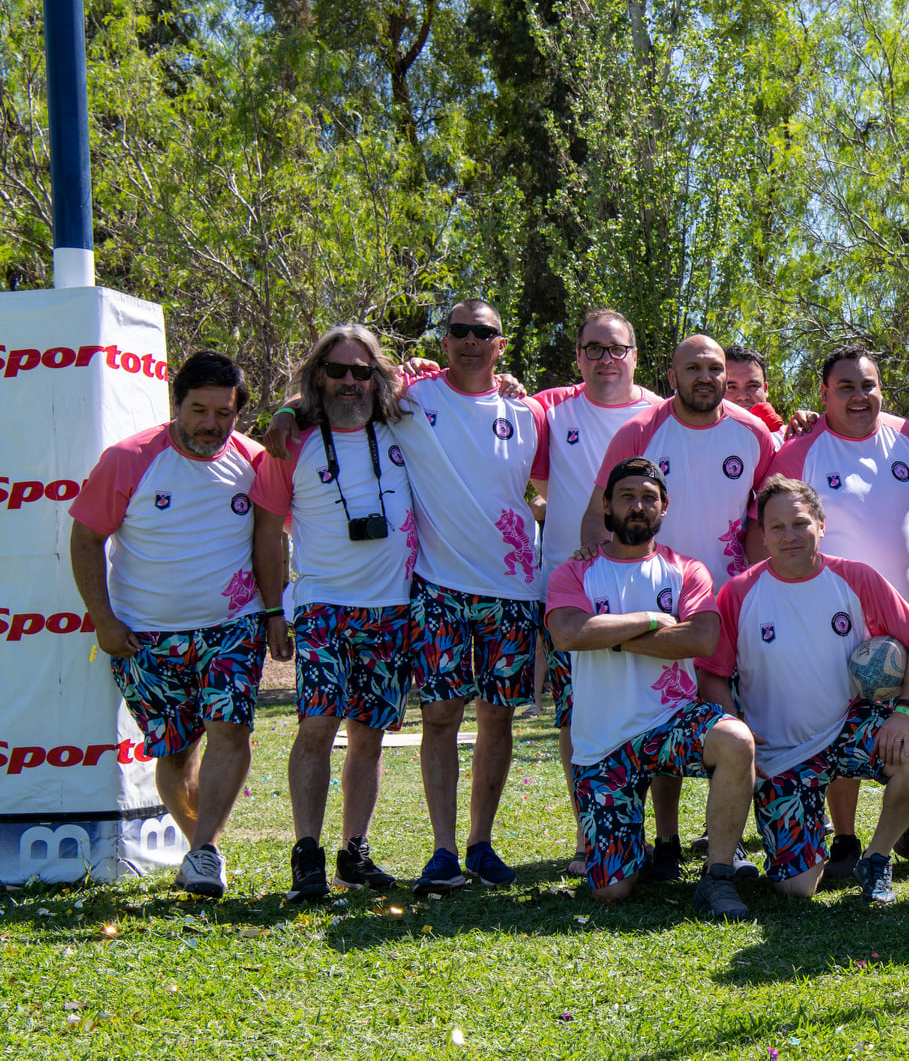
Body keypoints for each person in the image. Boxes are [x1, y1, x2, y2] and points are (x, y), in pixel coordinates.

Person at [271, 300, 551, 894]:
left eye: (484, 332)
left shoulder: (524, 411)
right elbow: (328, 397)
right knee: (424, 717)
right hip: (421, 590)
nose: (471, 341)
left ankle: (472, 845)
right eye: (459, 331)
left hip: (497, 592)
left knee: (481, 719)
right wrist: (284, 409)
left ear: (502, 343)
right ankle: (420, 852)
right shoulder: (411, 403)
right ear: (443, 340)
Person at [68, 350, 288, 898]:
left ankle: (205, 850)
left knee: (232, 730)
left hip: (231, 627)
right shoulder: (128, 459)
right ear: (178, 404)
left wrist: (273, 610)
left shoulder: (255, 461)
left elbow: (268, 540)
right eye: (199, 410)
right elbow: (86, 538)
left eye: (224, 412)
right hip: (146, 635)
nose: (211, 424)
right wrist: (103, 620)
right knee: (176, 752)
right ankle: (201, 848)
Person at [696, 476, 909, 904]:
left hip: (848, 728)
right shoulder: (738, 593)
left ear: (821, 525)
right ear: (763, 535)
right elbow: (712, 673)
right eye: (777, 527)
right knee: (797, 888)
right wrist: (739, 729)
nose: (790, 536)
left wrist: (905, 711)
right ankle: (802, 836)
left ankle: (877, 858)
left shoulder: (857, 578)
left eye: (800, 523)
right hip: (780, 756)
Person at [586, 334, 777, 873]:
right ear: (671, 375)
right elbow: (601, 507)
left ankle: (729, 842)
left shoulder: (754, 435)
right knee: (660, 718)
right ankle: (665, 841)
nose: (704, 377)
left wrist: (761, 586)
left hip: (726, 605)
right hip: (655, 601)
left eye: (714, 368)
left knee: (729, 721)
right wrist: (589, 569)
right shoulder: (640, 430)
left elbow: (761, 520)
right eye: (692, 367)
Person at [765, 347, 909, 876]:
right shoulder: (800, 453)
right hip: (828, 617)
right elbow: (772, 533)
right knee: (837, 722)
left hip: (904, 616)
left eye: (868, 385)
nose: (859, 396)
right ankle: (846, 840)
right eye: (846, 386)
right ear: (823, 394)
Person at [544, 458, 755, 916]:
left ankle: (719, 874)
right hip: (602, 748)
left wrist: (610, 637)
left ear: (664, 507)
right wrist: (651, 619)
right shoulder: (574, 573)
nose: (637, 506)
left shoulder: (688, 571)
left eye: (648, 498)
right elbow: (567, 634)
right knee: (611, 890)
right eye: (626, 496)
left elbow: (701, 637)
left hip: (670, 723)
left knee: (736, 740)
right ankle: (629, 845)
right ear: (606, 505)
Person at [250, 327, 417, 899]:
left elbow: (457, 386)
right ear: (318, 375)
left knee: (369, 735)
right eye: (338, 370)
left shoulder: (404, 423)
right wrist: (274, 609)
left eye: (361, 371)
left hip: (394, 607)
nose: (351, 381)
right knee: (317, 725)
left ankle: (354, 852)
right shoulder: (289, 441)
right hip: (323, 606)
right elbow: (268, 534)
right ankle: (307, 853)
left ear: (378, 376)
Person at [532, 311, 662, 876]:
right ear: (578, 356)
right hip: (573, 592)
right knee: (575, 717)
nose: (606, 359)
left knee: (657, 710)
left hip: (649, 589)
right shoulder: (548, 408)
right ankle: (591, 835)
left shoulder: (659, 412)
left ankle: (664, 839)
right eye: (593, 349)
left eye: (617, 349)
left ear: (635, 354)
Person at [723, 345, 786, 441]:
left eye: (752, 386)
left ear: (765, 390)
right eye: (731, 387)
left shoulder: (793, 437)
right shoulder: (701, 442)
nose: (743, 396)